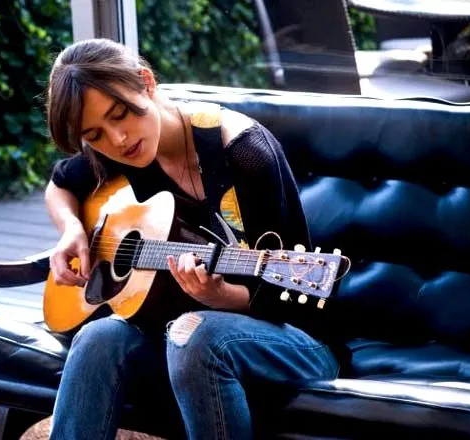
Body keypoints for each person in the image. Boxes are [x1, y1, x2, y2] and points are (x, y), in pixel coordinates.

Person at [44, 38, 341, 440]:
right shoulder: (119, 152)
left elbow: (291, 294)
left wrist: (224, 297)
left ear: (146, 82)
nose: (117, 139)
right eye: (94, 134)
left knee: (195, 334)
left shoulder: (245, 154)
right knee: (99, 336)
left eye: (120, 114)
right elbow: (59, 185)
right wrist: (72, 229)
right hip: (178, 342)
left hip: (294, 341)